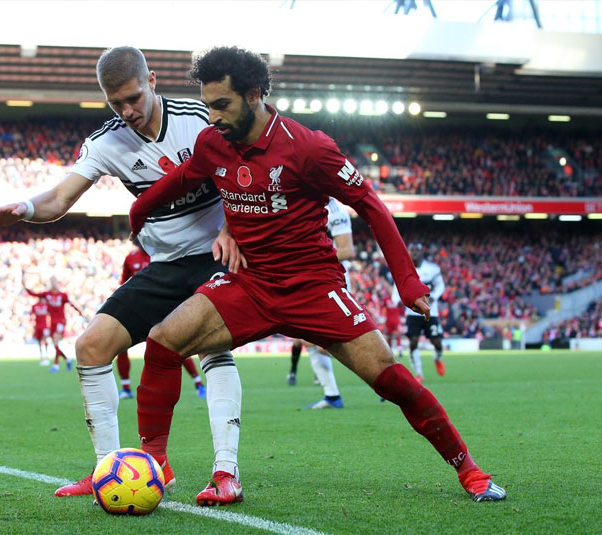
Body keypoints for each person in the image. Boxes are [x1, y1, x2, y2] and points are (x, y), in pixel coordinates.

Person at [128, 46, 505, 503]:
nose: (212, 117)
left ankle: (470, 470)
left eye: (221, 105)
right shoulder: (213, 143)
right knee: (164, 340)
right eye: (207, 105)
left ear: (254, 95)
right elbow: (185, 177)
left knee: (389, 377)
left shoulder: (308, 147)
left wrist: (407, 282)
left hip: (313, 288)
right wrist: (141, 208)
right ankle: (155, 467)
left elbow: (370, 205)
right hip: (249, 283)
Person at [0, 46, 246, 505]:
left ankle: (226, 471)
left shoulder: (197, 119)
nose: (127, 111)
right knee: (90, 346)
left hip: (215, 257)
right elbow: (59, 200)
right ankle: (108, 469)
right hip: (164, 266)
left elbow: (249, 173)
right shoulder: (106, 142)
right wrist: (24, 208)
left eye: (133, 97)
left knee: (211, 346)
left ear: (153, 80)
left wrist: (230, 228)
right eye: (115, 103)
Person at [116, 243, 206, 400]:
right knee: (120, 346)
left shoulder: (162, 253)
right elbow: (123, 284)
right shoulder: (130, 257)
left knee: (176, 346)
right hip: (138, 309)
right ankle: (125, 388)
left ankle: (198, 384)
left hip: (161, 309)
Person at [287, 199, 355, 406]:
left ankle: (385, 378)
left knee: (342, 341)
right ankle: (332, 395)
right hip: (309, 279)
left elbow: (347, 250)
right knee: (308, 339)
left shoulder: (334, 209)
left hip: (330, 280)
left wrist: (308, 262)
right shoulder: (300, 200)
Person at [391, 243, 446, 381]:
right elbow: (396, 288)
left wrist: (434, 297)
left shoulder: (433, 269)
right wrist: (396, 300)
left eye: (417, 251)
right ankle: (419, 374)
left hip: (431, 312)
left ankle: (437, 358)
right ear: (408, 253)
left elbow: (441, 285)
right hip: (412, 313)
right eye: (412, 251)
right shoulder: (403, 270)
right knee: (413, 341)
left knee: (437, 342)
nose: (414, 253)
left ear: (422, 253)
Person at [23, 274, 83, 373]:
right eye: (52, 282)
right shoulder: (47, 294)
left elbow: (71, 304)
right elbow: (34, 294)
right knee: (55, 344)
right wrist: (25, 285)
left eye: (55, 281)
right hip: (52, 322)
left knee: (55, 340)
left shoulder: (62, 295)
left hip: (61, 321)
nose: (53, 284)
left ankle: (56, 366)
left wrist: (79, 312)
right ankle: (67, 359)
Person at [30, 295, 52, 366]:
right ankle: (42, 357)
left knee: (45, 341)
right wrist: (33, 324)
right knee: (39, 341)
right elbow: (32, 315)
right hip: (38, 326)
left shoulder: (46, 306)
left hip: (44, 326)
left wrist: (49, 324)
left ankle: (46, 356)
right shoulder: (35, 306)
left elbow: (49, 314)